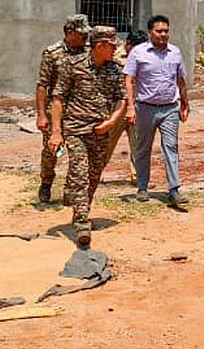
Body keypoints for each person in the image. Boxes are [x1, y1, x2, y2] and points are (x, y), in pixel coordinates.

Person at [48, 26, 125, 248]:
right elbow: (58, 99)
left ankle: (82, 209)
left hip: (101, 131)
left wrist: (112, 121)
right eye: (112, 46)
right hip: (75, 130)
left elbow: (122, 99)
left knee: (93, 175)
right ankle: (82, 223)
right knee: (79, 173)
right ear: (100, 45)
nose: (115, 49)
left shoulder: (115, 70)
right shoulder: (72, 66)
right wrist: (56, 132)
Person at [124, 15, 190, 207]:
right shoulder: (138, 52)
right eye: (159, 31)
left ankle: (174, 190)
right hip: (145, 108)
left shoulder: (175, 53)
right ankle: (143, 188)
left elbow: (180, 80)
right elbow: (129, 80)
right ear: (150, 33)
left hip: (170, 107)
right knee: (143, 148)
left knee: (171, 147)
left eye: (166, 31)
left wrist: (185, 103)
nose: (163, 34)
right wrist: (130, 106)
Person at [35, 14, 91, 203]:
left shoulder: (88, 52)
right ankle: (46, 182)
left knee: (78, 153)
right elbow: (42, 85)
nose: (85, 38)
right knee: (52, 151)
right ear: (68, 32)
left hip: (80, 112)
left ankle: (71, 189)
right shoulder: (53, 53)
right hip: (56, 111)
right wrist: (41, 115)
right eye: (81, 34)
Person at [102, 30, 147, 185]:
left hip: (136, 105)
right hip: (118, 107)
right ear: (128, 44)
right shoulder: (115, 56)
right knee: (107, 143)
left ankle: (138, 178)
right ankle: (93, 173)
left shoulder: (145, 56)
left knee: (138, 143)